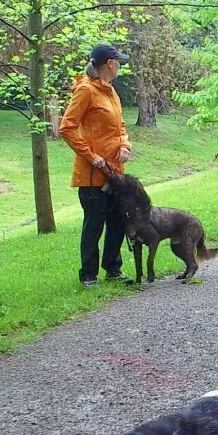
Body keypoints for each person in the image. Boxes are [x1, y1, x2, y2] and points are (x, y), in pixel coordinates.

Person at [60, 44, 136, 286]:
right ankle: (88, 275)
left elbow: (120, 126)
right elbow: (67, 127)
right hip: (93, 174)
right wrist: (91, 156)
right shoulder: (85, 90)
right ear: (109, 64)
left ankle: (113, 269)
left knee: (118, 222)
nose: (120, 65)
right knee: (94, 225)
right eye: (118, 61)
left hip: (116, 172)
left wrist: (125, 146)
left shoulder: (111, 92)